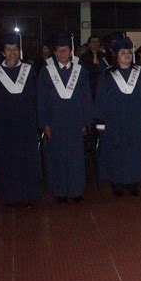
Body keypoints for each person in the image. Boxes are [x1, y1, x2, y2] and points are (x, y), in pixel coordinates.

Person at [95, 37, 141, 197]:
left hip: (136, 120)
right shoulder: (107, 74)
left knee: (135, 151)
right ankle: (117, 182)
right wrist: (101, 121)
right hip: (115, 121)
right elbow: (100, 97)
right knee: (117, 151)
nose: (127, 55)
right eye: (123, 52)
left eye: (129, 52)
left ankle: (134, 182)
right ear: (116, 55)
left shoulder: (140, 73)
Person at [37, 32, 93, 203]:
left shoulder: (80, 71)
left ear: (71, 51)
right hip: (55, 122)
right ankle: (60, 191)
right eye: (59, 51)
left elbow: (86, 97)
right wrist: (44, 123)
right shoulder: (46, 72)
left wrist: (86, 121)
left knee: (76, 158)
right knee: (57, 157)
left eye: (65, 50)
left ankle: (76, 191)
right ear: (55, 53)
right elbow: (41, 99)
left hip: (75, 122)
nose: (62, 53)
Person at [0, 33, 40, 207]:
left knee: (27, 160)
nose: (12, 53)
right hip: (5, 126)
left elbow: (36, 98)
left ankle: (28, 195)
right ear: (3, 53)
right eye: (8, 50)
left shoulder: (29, 70)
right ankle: (10, 196)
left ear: (20, 51)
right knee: (8, 160)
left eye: (15, 49)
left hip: (26, 125)